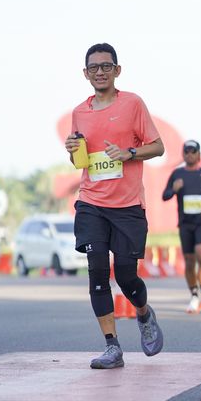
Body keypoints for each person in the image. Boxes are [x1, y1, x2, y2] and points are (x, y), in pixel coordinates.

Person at [65, 43, 165, 369]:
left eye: (106, 66)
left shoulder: (132, 104)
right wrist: (72, 150)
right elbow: (80, 160)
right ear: (85, 74)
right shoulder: (79, 112)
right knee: (97, 270)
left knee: (125, 276)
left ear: (117, 70)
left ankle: (144, 313)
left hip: (127, 205)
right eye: (94, 67)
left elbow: (158, 147)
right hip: (91, 202)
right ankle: (112, 347)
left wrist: (129, 153)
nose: (100, 72)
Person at [162, 140, 201, 314]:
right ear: (183, 154)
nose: (190, 155)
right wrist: (174, 189)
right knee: (189, 259)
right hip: (185, 223)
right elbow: (165, 195)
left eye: (193, 152)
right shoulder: (177, 174)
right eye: (187, 152)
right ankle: (194, 294)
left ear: (199, 155)